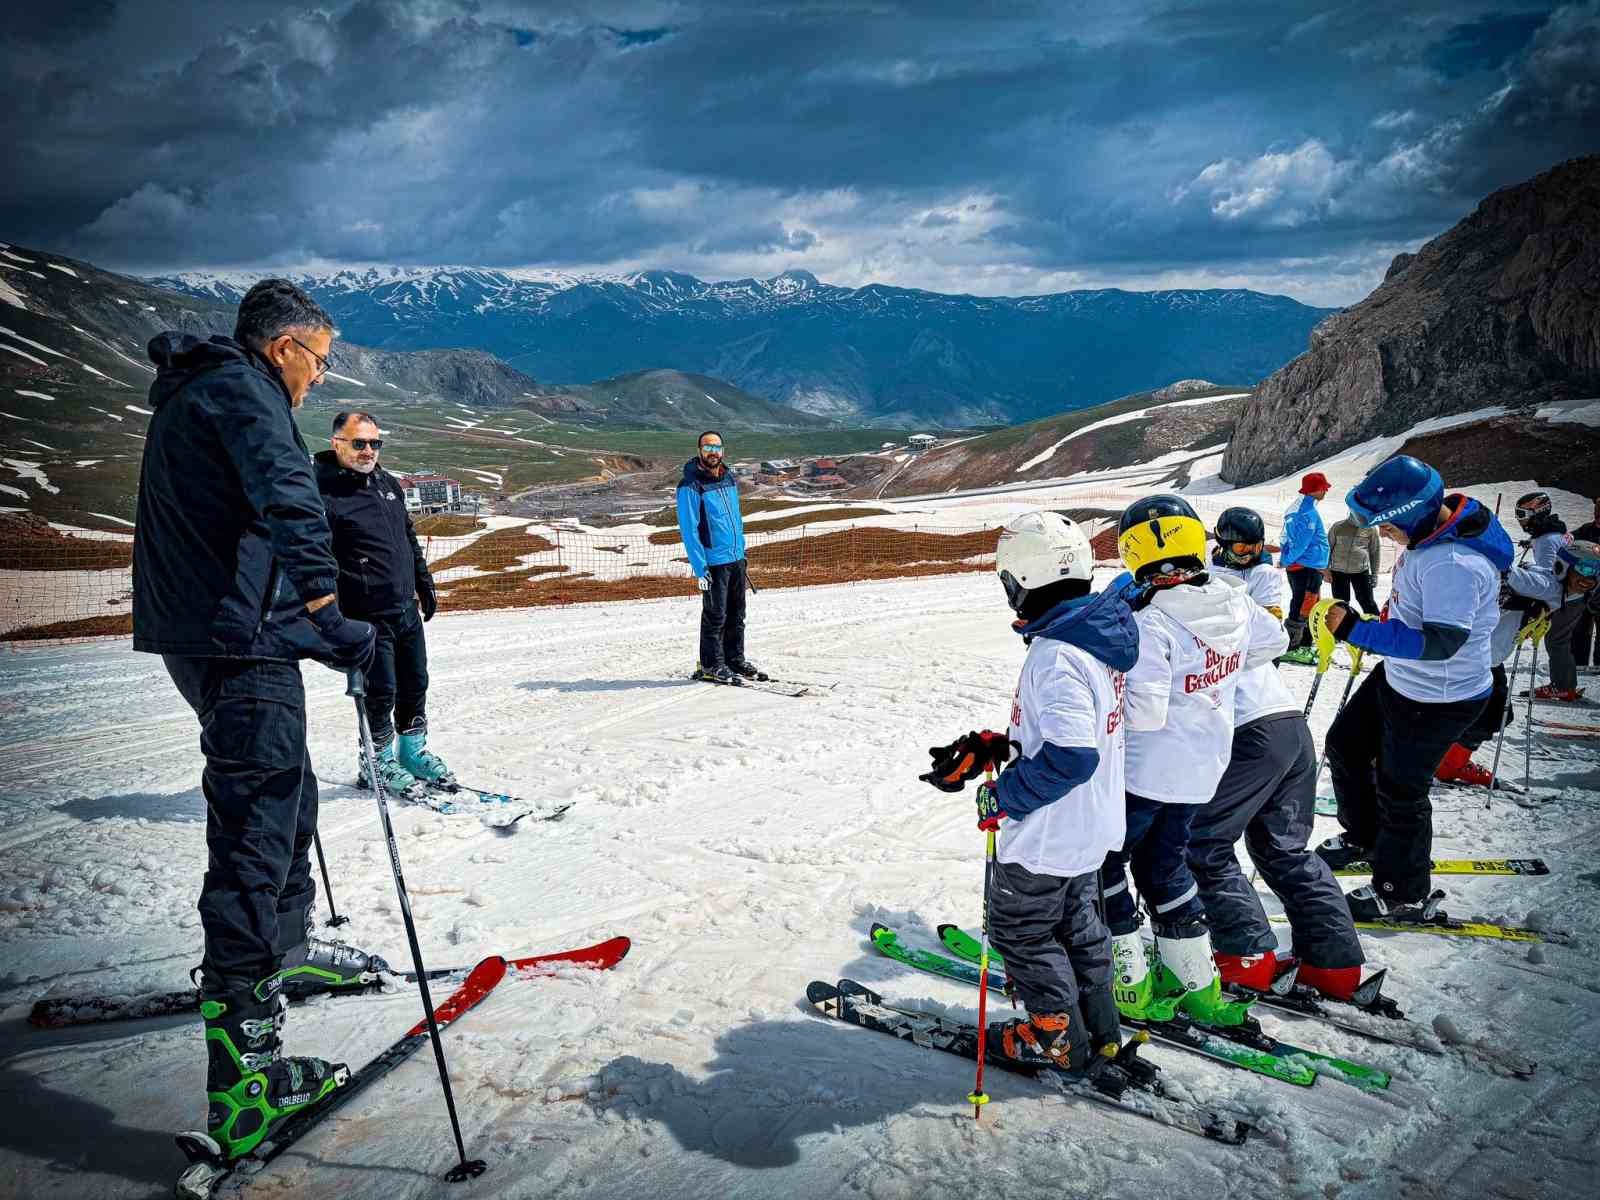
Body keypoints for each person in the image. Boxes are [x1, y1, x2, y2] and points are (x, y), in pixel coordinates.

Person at [132, 280, 389, 1161]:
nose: (319, 380)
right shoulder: (245, 392)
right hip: (236, 648)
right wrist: (325, 607)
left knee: (291, 801)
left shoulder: (199, 389)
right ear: (283, 348)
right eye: (319, 360)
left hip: (218, 635)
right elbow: (288, 495)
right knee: (253, 831)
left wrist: (299, 630)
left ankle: (286, 949)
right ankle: (245, 1076)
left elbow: (227, 531)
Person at [920, 511, 1137, 1072]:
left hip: (1047, 834)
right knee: (1079, 929)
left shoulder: (1057, 656)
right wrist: (996, 746)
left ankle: (1054, 1036)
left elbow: (1071, 756)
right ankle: (1099, 1029)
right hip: (1089, 829)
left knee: (1021, 930)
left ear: (1024, 580)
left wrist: (1005, 795)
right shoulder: (1090, 640)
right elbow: (1067, 735)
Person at [1101, 495, 1288, 1027]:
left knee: (1109, 862)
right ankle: (1197, 982)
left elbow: (1146, 712)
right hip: (1204, 767)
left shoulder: (1152, 621)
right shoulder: (1232, 599)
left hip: (1146, 772)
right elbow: (1272, 640)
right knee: (1166, 864)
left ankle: (1128, 982)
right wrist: (1218, 672)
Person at [1314, 456, 1513, 921]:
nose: (1384, 536)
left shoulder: (1454, 563)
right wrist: (1379, 623)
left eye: (1388, 527)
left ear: (1411, 515)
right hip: (1402, 677)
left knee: (1401, 789)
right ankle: (1365, 837)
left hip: (1437, 695)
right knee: (1344, 744)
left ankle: (1402, 892)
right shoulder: (1430, 539)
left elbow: (1441, 642)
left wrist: (1358, 632)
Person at [1192, 508, 1368, 1000]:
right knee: (1281, 849)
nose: (1244, 554)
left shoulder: (1230, 591)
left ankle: (1246, 956)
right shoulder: (1218, 590)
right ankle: (1333, 965)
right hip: (1289, 727)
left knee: (1202, 842)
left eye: (1251, 546)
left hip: (1253, 732)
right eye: (1237, 547)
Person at [315, 411, 446, 796]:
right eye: (359, 443)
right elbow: (316, 558)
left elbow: (406, 536)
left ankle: (412, 752)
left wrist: (424, 582)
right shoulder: (323, 493)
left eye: (374, 443)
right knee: (381, 690)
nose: (368, 451)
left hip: (404, 608)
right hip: (365, 616)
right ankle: (376, 762)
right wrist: (329, 616)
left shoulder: (387, 483)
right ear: (337, 443)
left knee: (415, 682)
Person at [676, 430, 760, 685]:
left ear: (723, 450)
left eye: (717, 447)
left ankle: (734, 660)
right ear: (699, 451)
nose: (713, 453)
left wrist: (741, 553)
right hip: (714, 562)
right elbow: (689, 531)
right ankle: (711, 665)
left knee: (737, 614)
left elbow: (735, 519)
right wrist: (700, 569)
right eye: (708, 448)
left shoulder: (728, 478)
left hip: (735, 558)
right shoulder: (690, 485)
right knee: (715, 616)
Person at [1513, 491, 1582, 700]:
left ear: (1539, 512)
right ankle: (1565, 684)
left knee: (1556, 640)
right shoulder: (1553, 532)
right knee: (1559, 639)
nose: (1519, 520)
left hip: (1566, 597)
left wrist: (1527, 571)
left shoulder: (1546, 540)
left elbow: (1548, 579)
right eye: (1517, 514)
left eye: (1523, 514)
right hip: (1575, 592)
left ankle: (1563, 686)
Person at [1278, 472, 1332, 665]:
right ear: (1315, 490)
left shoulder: (1304, 508)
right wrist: (1286, 560)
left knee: (1311, 605)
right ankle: (1293, 647)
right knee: (1304, 605)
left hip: (1310, 566)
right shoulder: (1305, 513)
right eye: (1324, 487)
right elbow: (1300, 543)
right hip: (1304, 566)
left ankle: (1305, 645)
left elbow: (1288, 538)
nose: (1326, 490)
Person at [1326, 513, 1382, 615]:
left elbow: (1375, 553)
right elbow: (1327, 549)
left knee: (1368, 603)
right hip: (1338, 572)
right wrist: (1326, 570)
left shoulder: (1371, 529)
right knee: (1341, 604)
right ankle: (1344, 628)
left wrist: (1375, 575)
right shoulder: (1338, 527)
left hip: (1361, 572)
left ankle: (1376, 626)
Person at [1572, 498, 1600, 670]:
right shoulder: (1585, 530)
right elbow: (1567, 541)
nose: (1598, 518)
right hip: (1584, 590)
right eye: (1597, 514)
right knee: (1581, 631)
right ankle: (1578, 667)